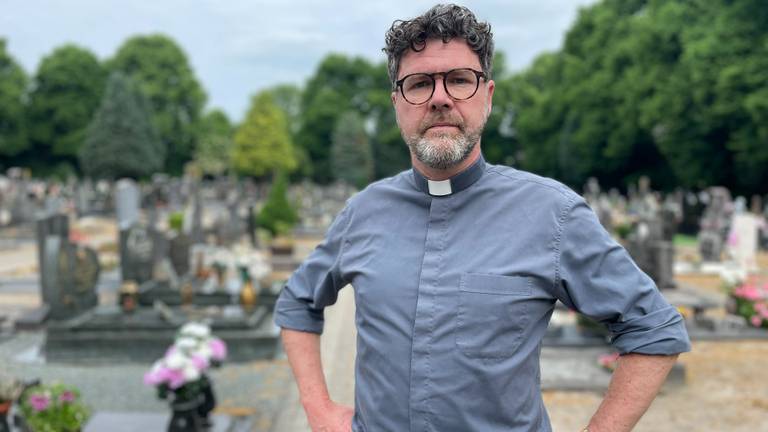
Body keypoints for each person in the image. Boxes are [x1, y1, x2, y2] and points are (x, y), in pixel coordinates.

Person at [275, 4, 691, 431]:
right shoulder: (363, 212)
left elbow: (654, 328)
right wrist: (317, 407)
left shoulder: (552, 214)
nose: (440, 98)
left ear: (488, 96)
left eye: (459, 80)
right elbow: (297, 301)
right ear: (397, 104)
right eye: (419, 84)